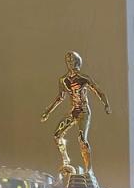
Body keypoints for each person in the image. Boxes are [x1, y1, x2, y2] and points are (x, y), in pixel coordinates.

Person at [41, 51, 112, 179]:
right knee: (57, 135)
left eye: (72, 60)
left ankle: (89, 170)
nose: (70, 63)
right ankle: (66, 161)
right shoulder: (64, 80)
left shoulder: (84, 78)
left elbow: (99, 91)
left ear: (77, 62)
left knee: (81, 139)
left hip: (84, 111)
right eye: (68, 61)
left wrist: (106, 104)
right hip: (74, 111)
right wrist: (48, 111)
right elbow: (60, 98)